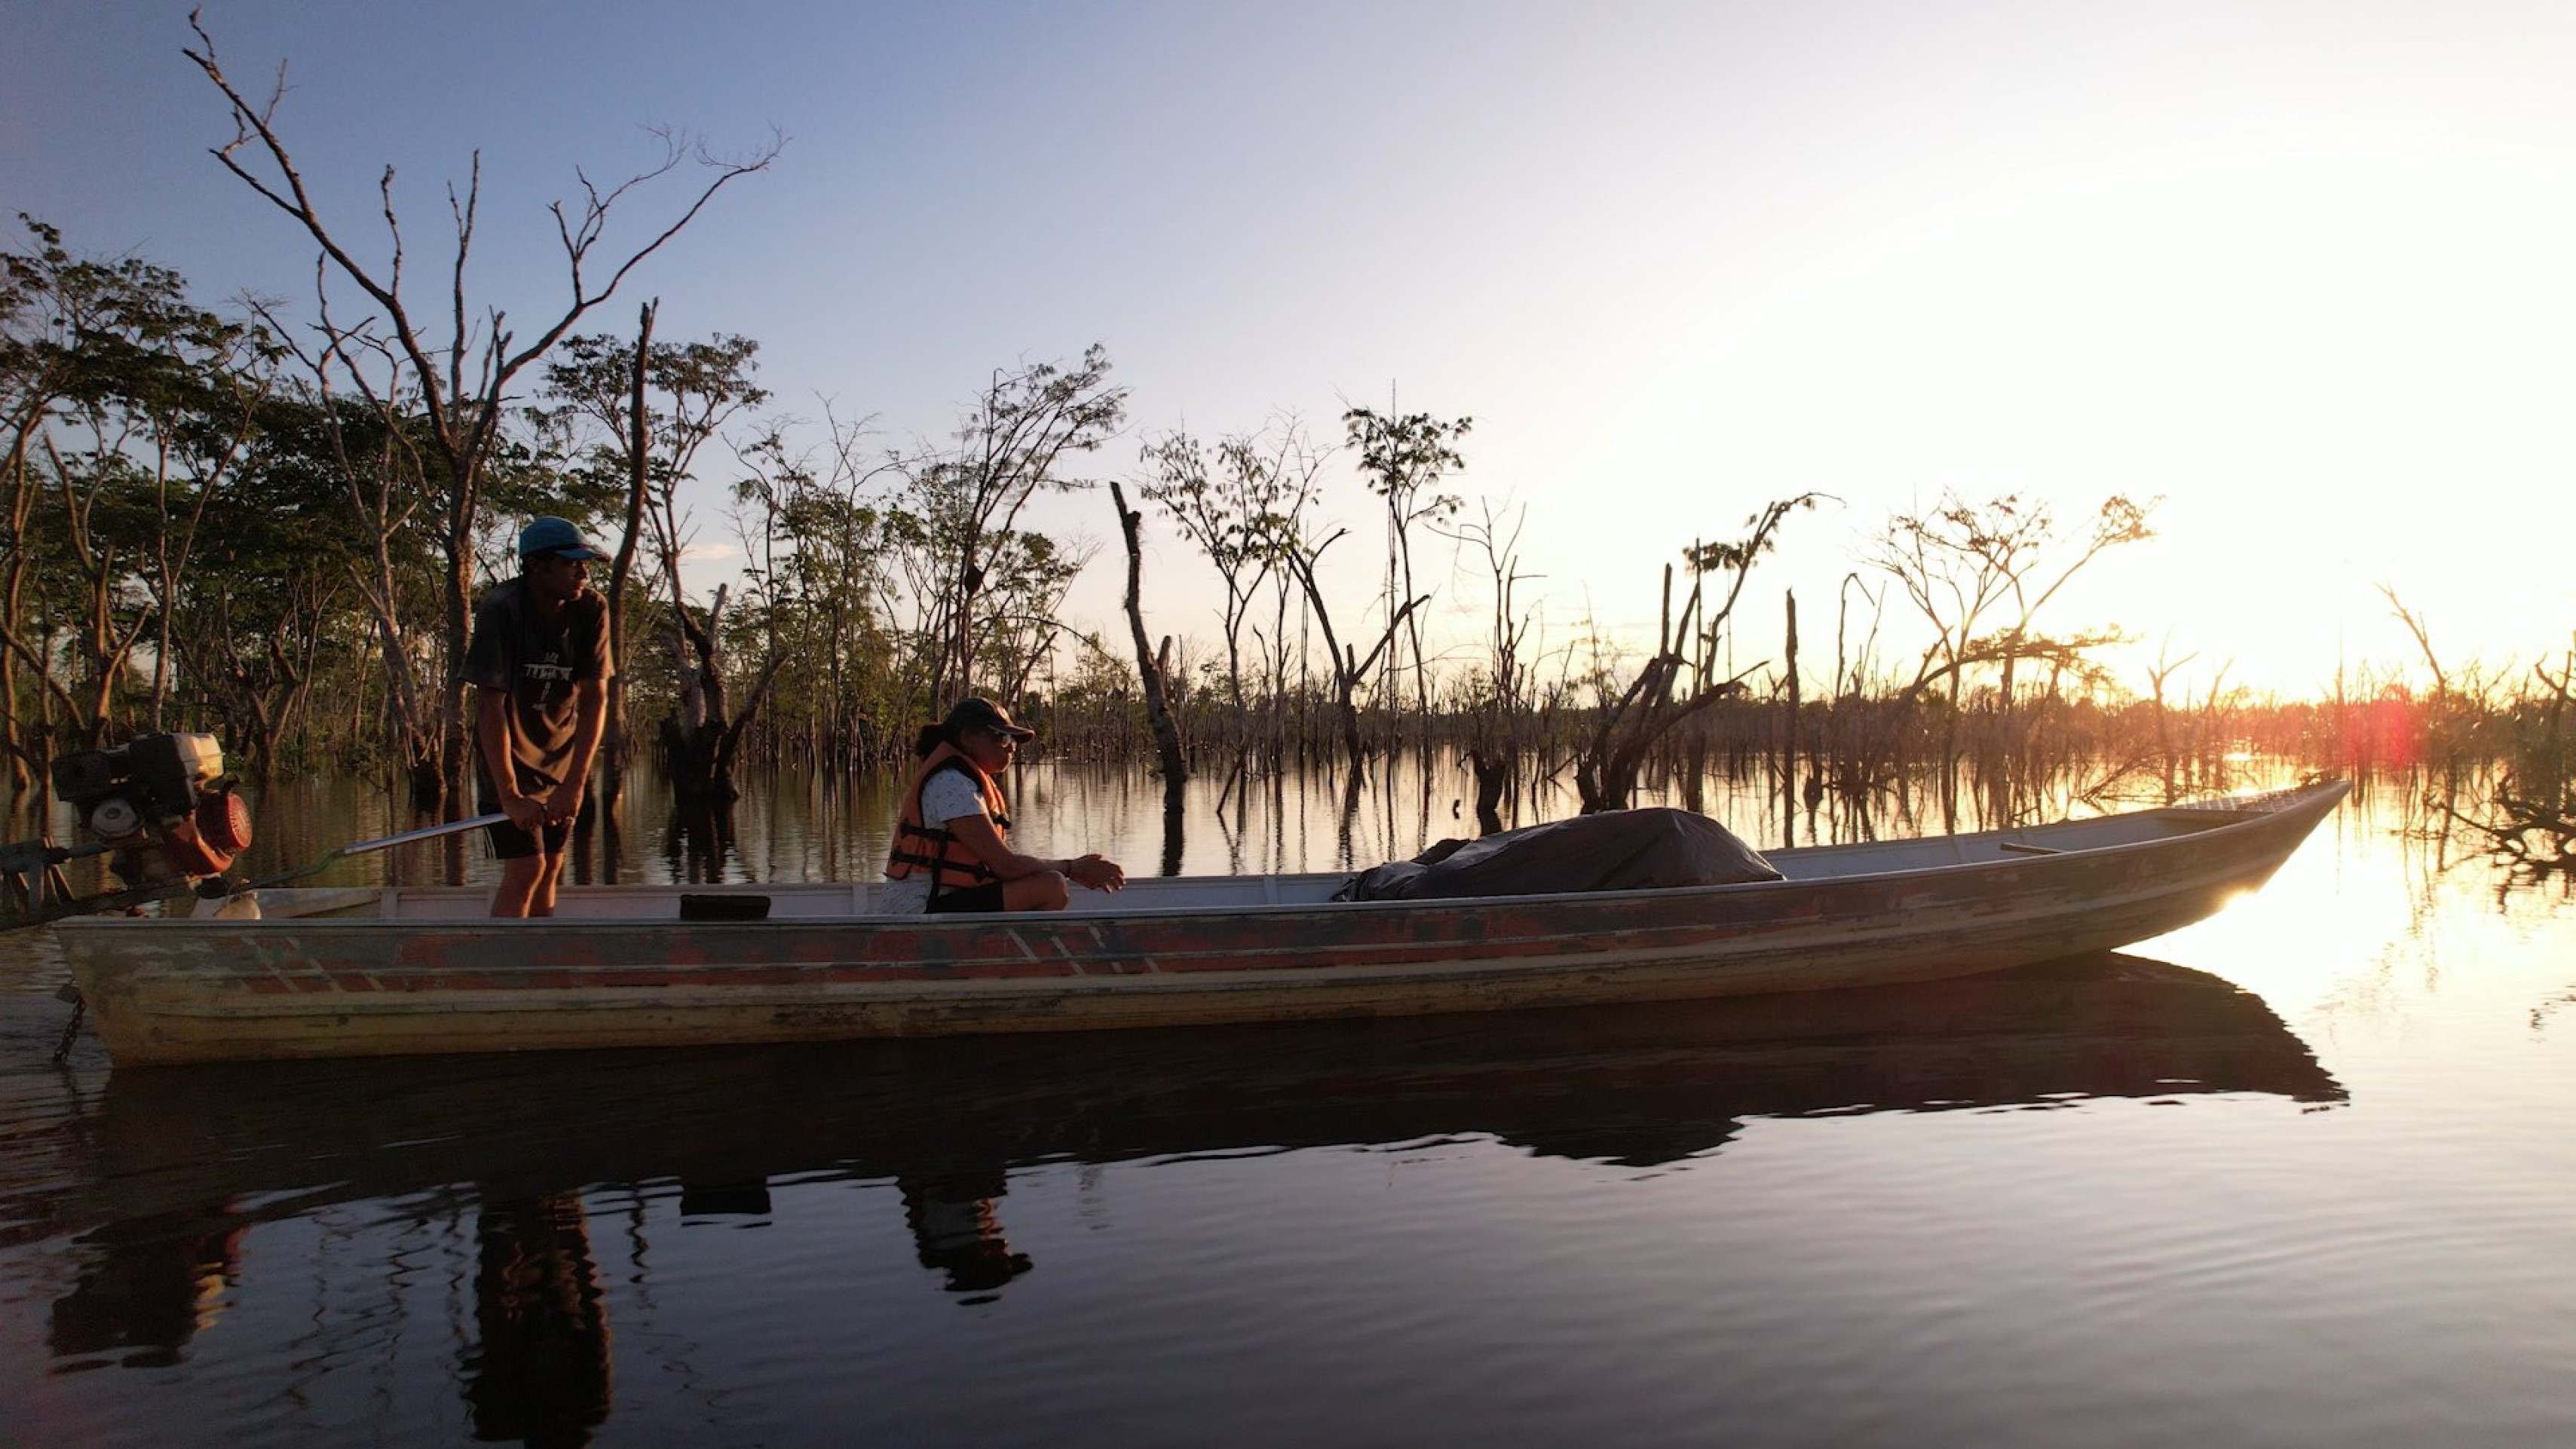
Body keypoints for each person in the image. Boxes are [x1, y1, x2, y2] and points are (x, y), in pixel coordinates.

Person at [463, 516, 612, 917]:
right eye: (571, 563)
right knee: (528, 868)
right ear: (536, 565)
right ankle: (503, 971)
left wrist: (574, 784)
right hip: (508, 764)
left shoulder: (592, 609)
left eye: (586, 564)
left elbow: (595, 698)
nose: (583, 572)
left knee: (552, 868)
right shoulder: (502, 609)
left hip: (561, 762)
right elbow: (489, 706)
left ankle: (542, 963)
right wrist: (510, 795)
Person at [884, 697, 1126, 913]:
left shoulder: (966, 780)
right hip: (920, 907)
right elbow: (1006, 866)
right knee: (1051, 887)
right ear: (968, 738)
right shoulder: (951, 783)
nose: (1011, 747)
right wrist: (1073, 868)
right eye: (1002, 737)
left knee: (1047, 881)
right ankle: (1017, 960)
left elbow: (1002, 868)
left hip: (947, 899)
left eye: (1014, 740)